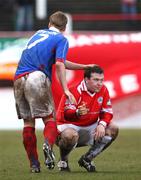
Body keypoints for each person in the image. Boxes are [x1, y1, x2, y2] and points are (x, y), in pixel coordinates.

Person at [13, 11, 95, 173]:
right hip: (37, 76)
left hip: (18, 78)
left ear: (49, 24)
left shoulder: (38, 33)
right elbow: (59, 65)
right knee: (49, 119)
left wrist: (84, 67)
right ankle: (47, 145)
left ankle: (34, 165)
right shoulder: (61, 39)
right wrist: (65, 89)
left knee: (28, 123)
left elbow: (62, 62)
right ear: (64, 28)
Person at [56, 65, 119, 172]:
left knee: (113, 128)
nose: (99, 83)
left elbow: (107, 112)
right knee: (70, 135)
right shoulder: (74, 90)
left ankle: (87, 159)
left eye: (101, 80)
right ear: (86, 80)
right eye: (96, 80)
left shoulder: (103, 90)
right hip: (69, 128)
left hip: (90, 127)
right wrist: (77, 112)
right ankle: (63, 161)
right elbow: (66, 114)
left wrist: (102, 124)